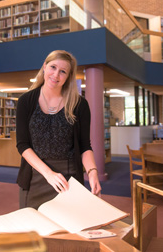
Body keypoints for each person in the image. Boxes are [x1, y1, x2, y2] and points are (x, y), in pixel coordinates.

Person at [16, 50, 101, 209]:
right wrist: (48, 174)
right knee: (33, 230)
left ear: (68, 76)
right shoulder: (26, 101)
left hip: (69, 179)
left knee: (68, 229)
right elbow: (23, 145)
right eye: (53, 67)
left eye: (63, 71)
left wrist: (92, 171)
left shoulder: (79, 104)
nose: (56, 75)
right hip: (35, 175)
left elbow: (85, 145)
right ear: (44, 67)